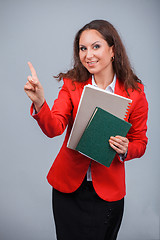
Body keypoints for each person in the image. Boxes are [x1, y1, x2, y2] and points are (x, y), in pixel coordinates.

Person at [24, 20, 148, 240]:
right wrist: (41, 103)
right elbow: (55, 128)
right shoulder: (72, 84)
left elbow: (140, 142)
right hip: (68, 189)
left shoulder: (135, 93)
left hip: (108, 192)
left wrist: (127, 148)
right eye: (83, 48)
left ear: (113, 50)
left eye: (96, 46)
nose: (88, 54)